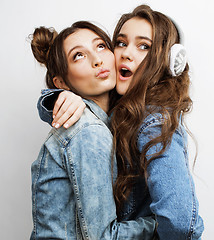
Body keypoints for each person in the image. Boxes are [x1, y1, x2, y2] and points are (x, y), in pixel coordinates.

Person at [37, 5, 204, 240]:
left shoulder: (153, 121)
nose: (126, 53)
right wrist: (58, 98)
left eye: (144, 46)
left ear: (167, 60)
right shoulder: (112, 116)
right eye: (121, 43)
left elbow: (179, 223)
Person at [30, 21, 156, 239]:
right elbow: (103, 237)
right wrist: (162, 223)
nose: (97, 60)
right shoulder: (88, 130)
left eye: (100, 46)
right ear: (62, 83)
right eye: (78, 55)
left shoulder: (110, 121)